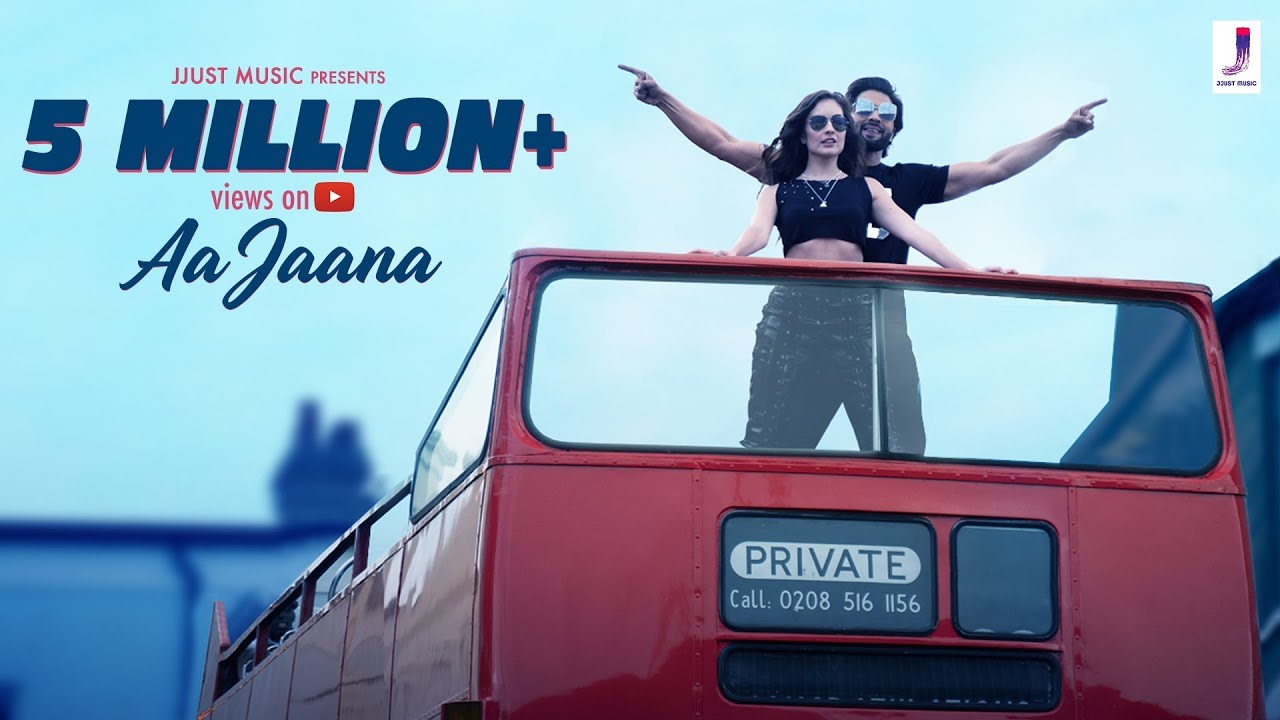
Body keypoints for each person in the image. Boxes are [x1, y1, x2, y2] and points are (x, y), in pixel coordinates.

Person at [695, 91, 1006, 451]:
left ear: (847, 132)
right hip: (792, 312)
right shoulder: (778, 189)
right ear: (802, 134)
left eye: (839, 122)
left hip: (856, 315)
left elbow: (916, 234)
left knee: (890, 437)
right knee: (770, 435)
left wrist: (970, 270)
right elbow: (757, 233)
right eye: (818, 122)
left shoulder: (867, 188)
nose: (830, 129)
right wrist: (732, 253)